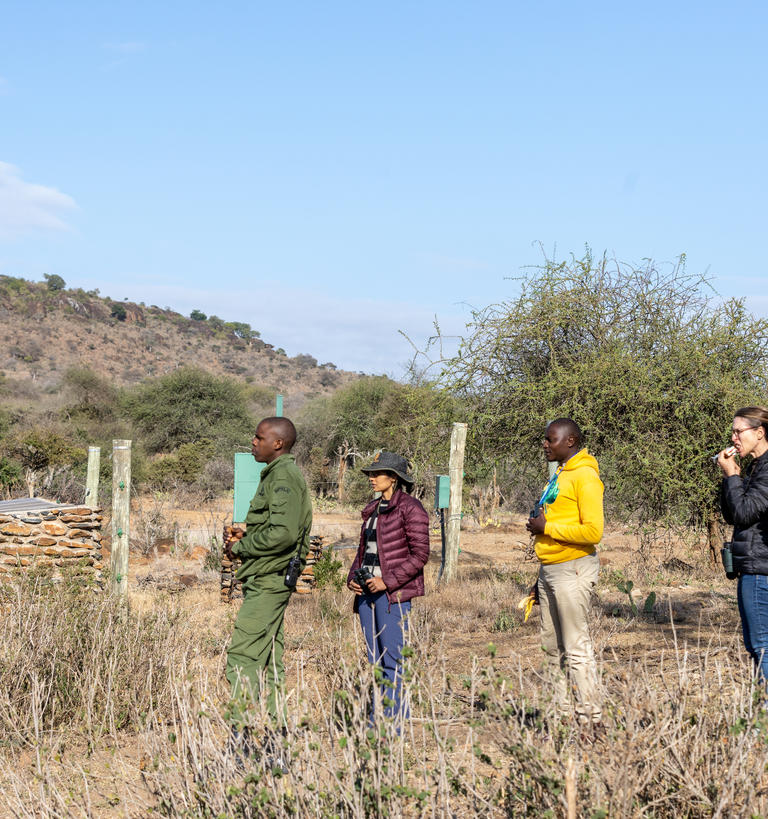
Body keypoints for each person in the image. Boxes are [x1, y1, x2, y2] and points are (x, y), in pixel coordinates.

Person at [224, 416, 312, 741]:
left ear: (278, 443)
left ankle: (241, 741)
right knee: (271, 662)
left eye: (259, 437)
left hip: (269, 580)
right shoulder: (276, 474)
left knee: (242, 657)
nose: (253, 442)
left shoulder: (284, 477)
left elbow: (284, 534)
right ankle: (277, 743)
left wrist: (242, 547)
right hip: (267, 578)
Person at [525, 418, 604, 733]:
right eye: (545, 439)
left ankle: (591, 721)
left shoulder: (585, 476)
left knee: (574, 646)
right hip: (551, 569)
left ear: (570, 440)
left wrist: (547, 528)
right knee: (551, 646)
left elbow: (593, 531)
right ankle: (560, 719)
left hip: (573, 568)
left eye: (550, 439)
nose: (545, 444)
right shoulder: (560, 474)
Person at [347, 451, 430, 728]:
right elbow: (363, 551)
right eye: (371, 474)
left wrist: (388, 581)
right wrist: (352, 577)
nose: (372, 478)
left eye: (377, 474)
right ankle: (376, 721)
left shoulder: (411, 508)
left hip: (392, 597)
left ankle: (395, 726)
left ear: (393, 478)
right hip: (366, 595)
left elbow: (420, 555)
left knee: (392, 658)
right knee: (375, 660)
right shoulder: (372, 510)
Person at [717, 406, 768, 685]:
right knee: (756, 646)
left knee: (763, 647)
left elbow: (744, 513)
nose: (734, 437)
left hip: (761, 571)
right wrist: (731, 477)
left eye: (739, 431)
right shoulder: (756, 467)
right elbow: (730, 513)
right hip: (752, 568)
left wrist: (733, 477)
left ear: (759, 433)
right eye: (733, 432)